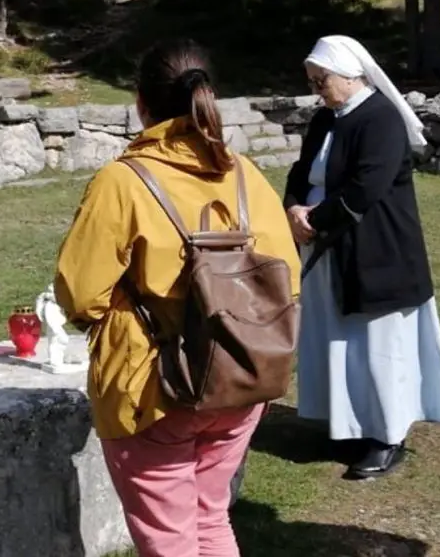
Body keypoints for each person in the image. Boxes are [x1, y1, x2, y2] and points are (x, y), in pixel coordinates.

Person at [53, 40, 301, 557]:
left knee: (169, 539)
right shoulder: (244, 174)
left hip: (154, 387)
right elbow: (287, 279)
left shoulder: (122, 181)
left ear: (141, 103)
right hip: (241, 374)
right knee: (210, 521)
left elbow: (81, 294)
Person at [284, 34, 440, 480]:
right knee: (339, 339)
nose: (316, 89)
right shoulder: (326, 119)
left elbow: (366, 186)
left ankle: (386, 436)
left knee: (379, 346)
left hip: (377, 251)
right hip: (328, 245)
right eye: (312, 81)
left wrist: (315, 219)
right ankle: (348, 426)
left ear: (349, 74)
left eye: (320, 80)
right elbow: (301, 171)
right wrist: (293, 208)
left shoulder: (380, 118)